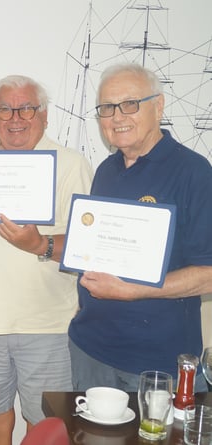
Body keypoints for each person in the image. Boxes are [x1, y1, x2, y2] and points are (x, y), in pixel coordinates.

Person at [0, 74, 93, 445]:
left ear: (44, 116)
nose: (15, 118)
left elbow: (86, 244)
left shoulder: (71, 164)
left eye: (26, 108)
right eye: (4, 109)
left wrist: (38, 244)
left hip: (46, 325)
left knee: (44, 420)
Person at [68, 63, 212, 392]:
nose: (118, 117)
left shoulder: (194, 173)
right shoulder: (107, 169)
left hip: (158, 365)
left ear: (158, 106)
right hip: (90, 350)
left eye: (130, 104)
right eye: (107, 108)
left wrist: (136, 290)